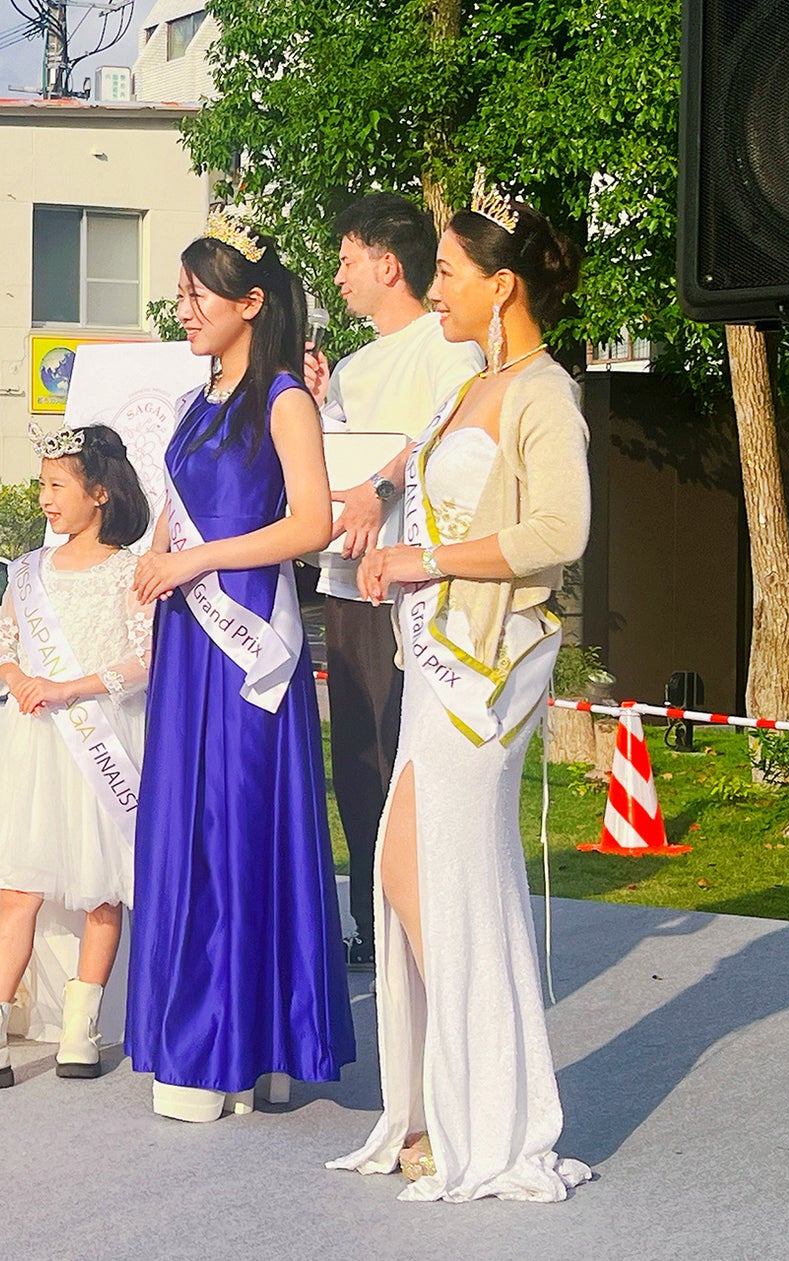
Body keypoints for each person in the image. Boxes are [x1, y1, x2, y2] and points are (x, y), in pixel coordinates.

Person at [328, 171, 592, 1201]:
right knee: (403, 863)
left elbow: (560, 531)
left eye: (447, 271)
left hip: (491, 666)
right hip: (437, 659)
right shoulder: (465, 387)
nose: (434, 289)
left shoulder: (543, 393)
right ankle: (459, 1086)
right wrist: (382, 521)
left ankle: (482, 1102)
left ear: (502, 284)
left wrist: (426, 559)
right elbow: (416, 474)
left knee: (453, 871)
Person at [126, 213, 355, 1122]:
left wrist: (196, 560)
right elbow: (178, 509)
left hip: (246, 640)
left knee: (236, 823)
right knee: (186, 824)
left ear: (250, 301)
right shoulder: (199, 401)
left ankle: (234, 1046)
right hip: (189, 638)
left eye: (198, 295)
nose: (184, 310)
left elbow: (312, 523)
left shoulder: (284, 398)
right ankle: (221, 1040)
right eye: (182, 294)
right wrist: (157, 557)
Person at [0, 424, 152, 1095]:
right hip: (35, 747)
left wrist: (71, 687)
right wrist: (18, 675)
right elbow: (2, 643)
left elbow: (147, 656)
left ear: (99, 492)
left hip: (100, 739)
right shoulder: (27, 571)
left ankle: (82, 1028)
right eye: (43, 485)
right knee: (20, 887)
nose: (45, 498)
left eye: (57, 485)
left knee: (101, 890)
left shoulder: (128, 572)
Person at [307, 195, 485, 970]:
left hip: (418, 585)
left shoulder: (446, 348)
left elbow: (444, 433)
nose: (339, 276)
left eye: (348, 259)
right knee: (354, 757)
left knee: (403, 754)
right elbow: (330, 465)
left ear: (388, 263)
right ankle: (370, 920)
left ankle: (421, 920)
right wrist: (315, 403)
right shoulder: (349, 369)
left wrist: (379, 490)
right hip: (349, 582)